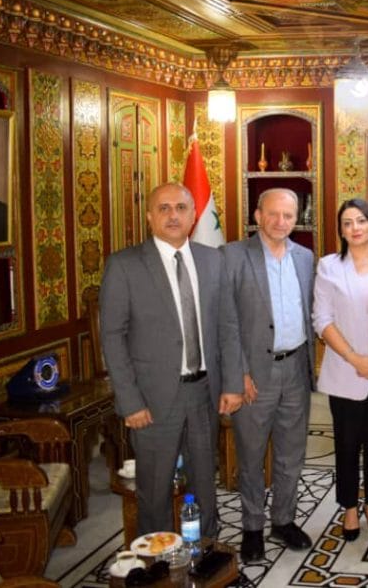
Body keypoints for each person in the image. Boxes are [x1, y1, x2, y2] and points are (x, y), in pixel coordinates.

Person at [100, 182, 243, 537]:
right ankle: (159, 561)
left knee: (205, 485)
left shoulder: (214, 260)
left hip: (204, 393)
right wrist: (130, 401)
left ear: (194, 215)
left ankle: (206, 553)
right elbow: (112, 338)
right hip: (151, 401)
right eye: (163, 208)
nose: (173, 215)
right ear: (149, 216)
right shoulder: (124, 265)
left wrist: (232, 383)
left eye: (181, 208)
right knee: (155, 492)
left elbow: (227, 325)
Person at [222, 188, 316, 562]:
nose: (280, 222)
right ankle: (251, 527)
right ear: (258, 215)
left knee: (292, 452)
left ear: (297, 219)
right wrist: (238, 373)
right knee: (251, 453)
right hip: (253, 374)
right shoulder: (232, 256)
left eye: (288, 215)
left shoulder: (305, 258)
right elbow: (226, 321)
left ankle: (284, 520)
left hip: (295, 369)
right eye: (273, 214)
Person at [312, 198, 368, 542]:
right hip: (345, 372)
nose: (355, 228)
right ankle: (348, 508)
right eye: (347, 223)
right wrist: (356, 359)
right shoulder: (329, 266)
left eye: (361, 220)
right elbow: (322, 319)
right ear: (341, 230)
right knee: (346, 446)